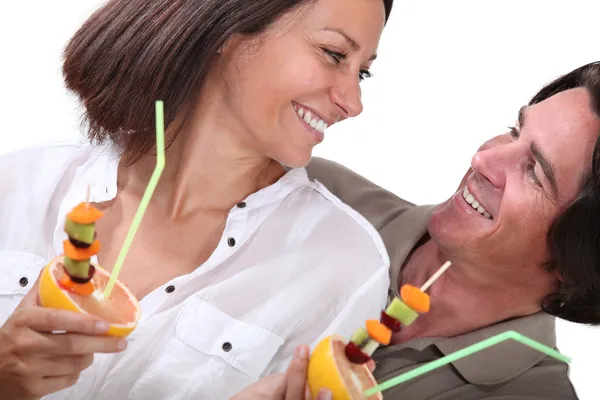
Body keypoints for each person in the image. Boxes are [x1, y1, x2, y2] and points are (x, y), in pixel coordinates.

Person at [0, 0, 395, 399]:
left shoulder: (343, 264)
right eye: (334, 55)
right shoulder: (18, 183)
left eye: (362, 72)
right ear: (229, 29)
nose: (353, 102)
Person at [234, 61, 600, 399]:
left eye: (534, 171)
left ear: (582, 258)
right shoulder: (305, 191)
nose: (483, 159)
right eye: (514, 131)